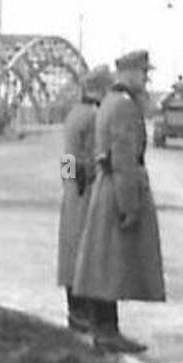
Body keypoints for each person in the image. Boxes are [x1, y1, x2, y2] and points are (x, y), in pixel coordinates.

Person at [72, 49, 166, 354]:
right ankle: (108, 331)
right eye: (143, 73)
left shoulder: (108, 105)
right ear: (128, 73)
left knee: (103, 264)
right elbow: (124, 158)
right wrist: (130, 205)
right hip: (117, 190)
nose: (146, 78)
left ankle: (103, 328)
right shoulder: (124, 107)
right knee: (111, 266)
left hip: (103, 187)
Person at [57, 65, 111, 333]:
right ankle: (84, 313)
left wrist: (68, 185)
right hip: (86, 189)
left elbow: (66, 157)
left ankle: (75, 311)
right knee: (88, 252)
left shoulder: (74, 114)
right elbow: (94, 156)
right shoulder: (94, 116)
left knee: (70, 250)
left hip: (73, 191)